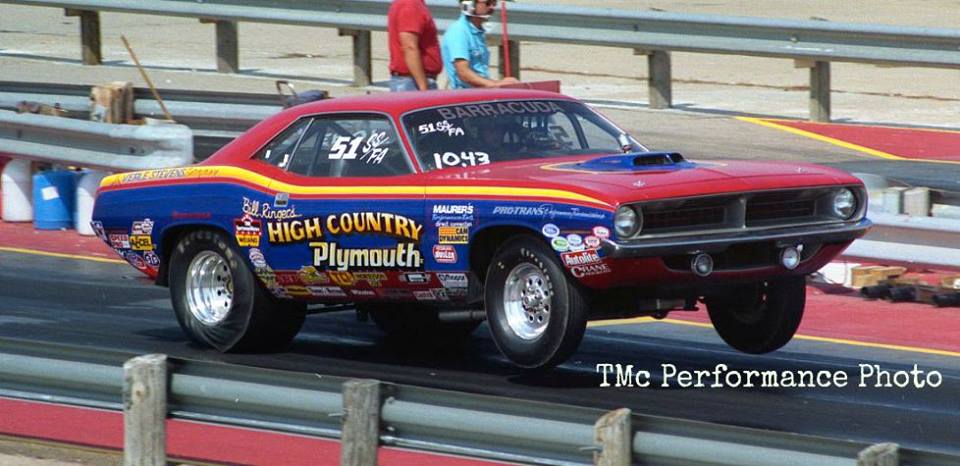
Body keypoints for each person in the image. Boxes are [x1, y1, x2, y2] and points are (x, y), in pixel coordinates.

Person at [441, 0, 520, 89]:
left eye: (494, 3)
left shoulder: (477, 31)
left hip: (478, 93)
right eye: (487, 3)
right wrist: (496, 84)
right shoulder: (459, 32)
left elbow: (479, 73)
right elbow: (463, 73)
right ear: (470, 4)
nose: (492, 7)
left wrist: (498, 83)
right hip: (466, 96)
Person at [387, 0, 443, 91]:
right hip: (412, 82)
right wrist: (423, 87)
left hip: (412, 81)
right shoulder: (411, 5)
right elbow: (410, 47)